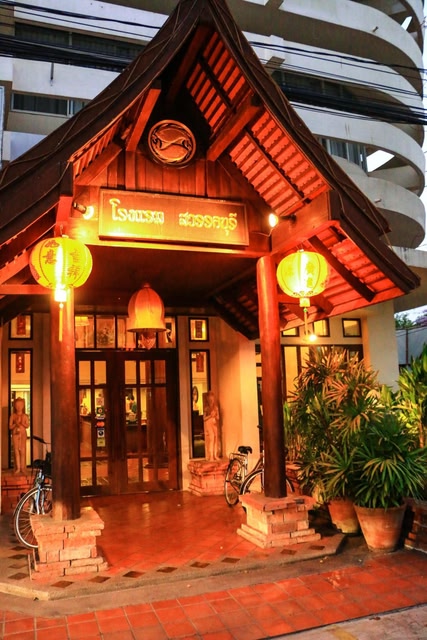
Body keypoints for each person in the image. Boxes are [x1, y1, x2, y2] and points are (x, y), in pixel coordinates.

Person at [9, 397, 29, 474]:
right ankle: (18, 468)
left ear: (23, 406)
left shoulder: (25, 416)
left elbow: (27, 425)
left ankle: (23, 467)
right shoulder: (13, 416)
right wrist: (15, 424)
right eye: (17, 405)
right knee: (16, 451)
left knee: (23, 451)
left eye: (20, 405)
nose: (19, 407)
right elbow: (10, 427)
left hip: (23, 434)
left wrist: (22, 423)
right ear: (15, 406)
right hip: (15, 434)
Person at [203, 390, 220, 461]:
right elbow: (204, 418)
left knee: (216, 438)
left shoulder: (216, 407)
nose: (211, 401)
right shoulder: (206, 408)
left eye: (212, 399)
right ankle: (211, 456)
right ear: (208, 399)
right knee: (212, 438)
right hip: (208, 423)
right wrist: (210, 415)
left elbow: (218, 417)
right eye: (210, 399)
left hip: (214, 423)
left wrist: (215, 415)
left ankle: (215, 455)